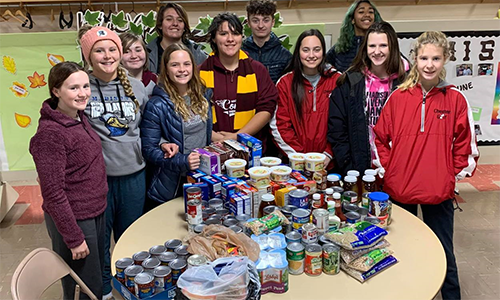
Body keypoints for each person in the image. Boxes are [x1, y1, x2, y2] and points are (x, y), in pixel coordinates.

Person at [373, 31, 479, 300]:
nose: (429, 64)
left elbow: (466, 146)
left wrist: (449, 175)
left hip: (438, 192)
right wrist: (390, 170)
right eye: (424, 58)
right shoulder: (398, 98)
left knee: (444, 251)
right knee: (400, 249)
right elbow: (378, 138)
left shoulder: (456, 100)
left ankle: (451, 296)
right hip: (400, 190)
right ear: (415, 59)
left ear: (445, 60)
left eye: (436, 58)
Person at [79, 26, 151, 300]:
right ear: (88, 56)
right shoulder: (81, 85)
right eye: (99, 50)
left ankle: (131, 285)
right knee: (99, 243)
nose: (107, 55)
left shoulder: (135, 86)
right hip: (98, 180)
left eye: (112, 49)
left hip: (134, 174)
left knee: (129, 237)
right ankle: (105, 288)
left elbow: (145, 127)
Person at [30, 61, 107, 299]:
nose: (83, 93)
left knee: (91, 279)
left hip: (94, 211)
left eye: (85, 86)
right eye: (73, 88)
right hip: (75, 218)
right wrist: (74, 238)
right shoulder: (50, 135)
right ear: (56, 91)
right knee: (86, 286)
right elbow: (53, 193)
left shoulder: (77, 117)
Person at [327, 21, 408, 176]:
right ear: (365, 48)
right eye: (372, 46)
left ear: (393, 47)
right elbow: (337, 129)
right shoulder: (350, 82)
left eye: (383, 45)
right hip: (358, 169)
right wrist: (348, 165)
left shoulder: (406, 83)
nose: (377, 51)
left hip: (397, 169)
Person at [141, 43, 213, 204]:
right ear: (166, 69)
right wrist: (182, 160)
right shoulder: (157, 105)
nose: (182, 69)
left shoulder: (203, 96)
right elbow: (148, 149)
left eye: (186, 64)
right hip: (170, 184)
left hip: (201, 177)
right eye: (175, 65)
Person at [200, 12, 278, 147]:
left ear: (241, 37)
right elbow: (191, 113)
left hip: (251, 149)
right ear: (213, 38)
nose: (230, 39)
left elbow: (267, 108)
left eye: (235, 33)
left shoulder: (257, 70)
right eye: (223, 34)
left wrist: (238, 136)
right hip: (212, 148)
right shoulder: (199, 73)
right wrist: (216, 137)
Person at [270, 29, 340, 168]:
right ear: (298, 52)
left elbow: (344, 124)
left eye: (317, 50)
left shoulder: (337, 80)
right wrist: (299, 156)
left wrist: (328, 154)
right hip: (296, 163)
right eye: (306, 50)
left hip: (331, 164)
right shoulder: (285, 83)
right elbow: (279, 125)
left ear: (323, 52)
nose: (311, 55)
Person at [147, 3, 207, 73]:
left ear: (184, 27)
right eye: (169, 19)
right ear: (160, 25)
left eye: (180, 20)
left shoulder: (199, 55)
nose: (175, 23)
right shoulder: (146, 54)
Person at [242, 0, 292, 84]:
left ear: (273, 22)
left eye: (266, 20)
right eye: (255, 21)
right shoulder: (240, 54)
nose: (261, 25)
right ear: (248, 23)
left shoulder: (285, 56)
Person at [326, 0, 382, 73]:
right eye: (361, 12)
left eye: (371, 12)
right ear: (352, 19)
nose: (367, 15)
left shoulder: (383, 45)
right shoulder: (340, 48)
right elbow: (324, 66)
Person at [120, 32, 158, 97]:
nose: (134, 56)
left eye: (138, 50)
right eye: (126, 52)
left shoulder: (155, 80)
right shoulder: (114, 83)